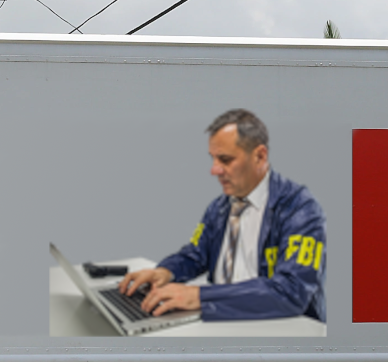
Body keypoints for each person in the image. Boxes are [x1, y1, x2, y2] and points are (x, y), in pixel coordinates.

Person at [118, 109, 326, 322]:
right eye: (213, 159)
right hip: (219, 321)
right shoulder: (219, 208)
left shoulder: (300, 208)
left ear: (260, 156)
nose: (214, 170)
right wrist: (164, 272)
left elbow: (291, 291)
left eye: (225, 160)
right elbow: (196, 254)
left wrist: (199, 296)